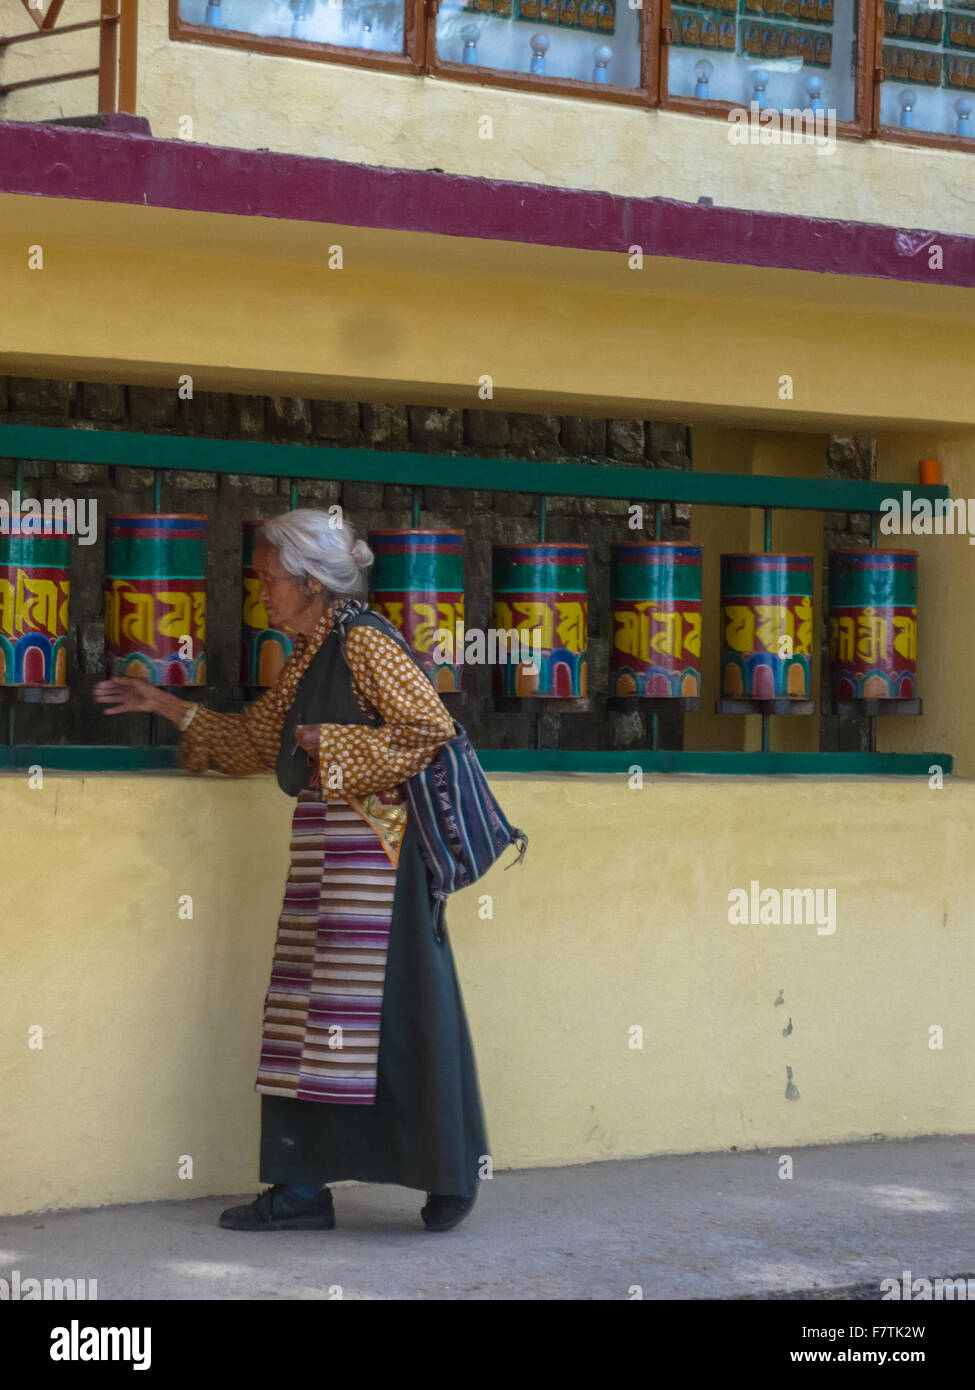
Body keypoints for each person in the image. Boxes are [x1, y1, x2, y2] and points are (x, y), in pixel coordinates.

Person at [94, 510, 488, 1234]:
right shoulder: (310, 651)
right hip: (325, 859)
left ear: (310, 584)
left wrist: (327, 739)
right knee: (307, 1019)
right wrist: (166, 705)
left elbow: (431, 730)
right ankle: (301, 1190)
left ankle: (447, 1175)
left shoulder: (365, 641)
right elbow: (252, 739)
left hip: (380, 860)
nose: (263, 593)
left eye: (271, 580)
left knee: (398, 1017)